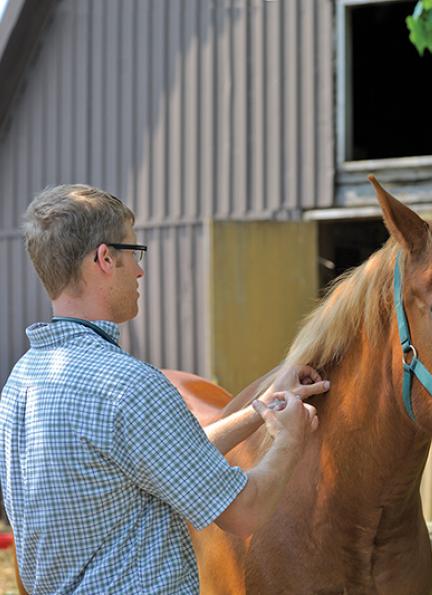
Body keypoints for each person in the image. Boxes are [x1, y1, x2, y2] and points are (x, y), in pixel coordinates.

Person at [0, 184, 329, 594]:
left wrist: (260, 411)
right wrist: (290, 439)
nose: (139, 270)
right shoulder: (128, 386)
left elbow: (162, 460)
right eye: (133, 253)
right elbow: (243, 513)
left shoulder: (22, 382)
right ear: (105, 258)